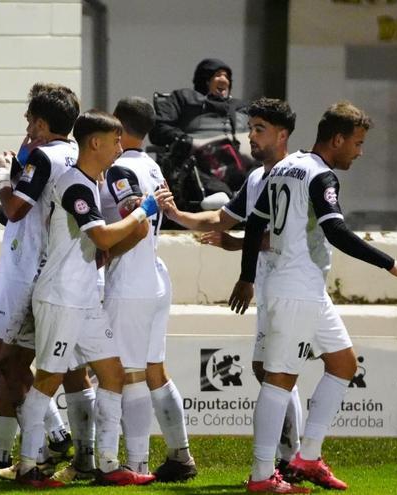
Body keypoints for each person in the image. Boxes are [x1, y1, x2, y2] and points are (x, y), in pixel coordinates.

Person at [238, 102, 397, 493]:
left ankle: (308, 456)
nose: (359, 151)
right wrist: (390, 264)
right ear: (337, 139)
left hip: (305, 289)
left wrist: (246, 277)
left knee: (344, 364)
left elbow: (255, 223)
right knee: (279, 380)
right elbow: (336, 232)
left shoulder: (286, 166)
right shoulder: (321, 177)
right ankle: (262, 475)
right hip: (296, 289)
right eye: (357, 143)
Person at [15, 110, 163, 488]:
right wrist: (143, 211)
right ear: (95, 143)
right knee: (47, 380)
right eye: (115, 141)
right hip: (61, 297)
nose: (119, 148)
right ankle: (28, 467)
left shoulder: (91, 182)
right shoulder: (75, 185)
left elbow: (106, 245)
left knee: (112, 375)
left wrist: (134, 229)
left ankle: (109, 464)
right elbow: (101, 238)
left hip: (83, 298)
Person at [163, 97, 303, 476]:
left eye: (260, 129)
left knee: (280, 371)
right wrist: (176, 215)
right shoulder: (257, 178)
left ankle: (294, 459)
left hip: (294, 285)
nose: (251, 137)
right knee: (265, 369)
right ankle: (292, 457)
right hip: (273, 284)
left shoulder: (295, 174)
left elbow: (286, 237)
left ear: (282, 134)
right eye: (251, 128)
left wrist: (243, 259)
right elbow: (221, 218)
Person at [0, 84, 79, 477]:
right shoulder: (76, 154)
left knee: (7, 361)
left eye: (31, 119)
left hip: (28, 270)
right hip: (52, 270)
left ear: (43, 122)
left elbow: (16, 209)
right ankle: (7, 454)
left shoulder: (44, 158)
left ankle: (52, 437)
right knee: (20, 363)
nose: (27, 125)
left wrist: (1, 175)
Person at [98, 96, 197, 481]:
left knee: (131, 372)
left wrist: (103, 251)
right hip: (155, 276)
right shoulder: (152, 166)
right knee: (154, 368)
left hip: (130, 278)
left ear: (118, 129)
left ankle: (136, 462)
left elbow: (134, 222)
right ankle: (180, 455)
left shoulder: (118, 168)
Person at [150, 58, 253, 213]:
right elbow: (160, 128)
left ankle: (247, 195)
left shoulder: (241, 107)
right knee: (195, 162)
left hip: (240, 159)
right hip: (200, 158)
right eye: (218, 75)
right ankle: (223, 195)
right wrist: (190, 141)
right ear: (204, 79)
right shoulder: (183, 98)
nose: (224, 80)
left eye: (227, 77)